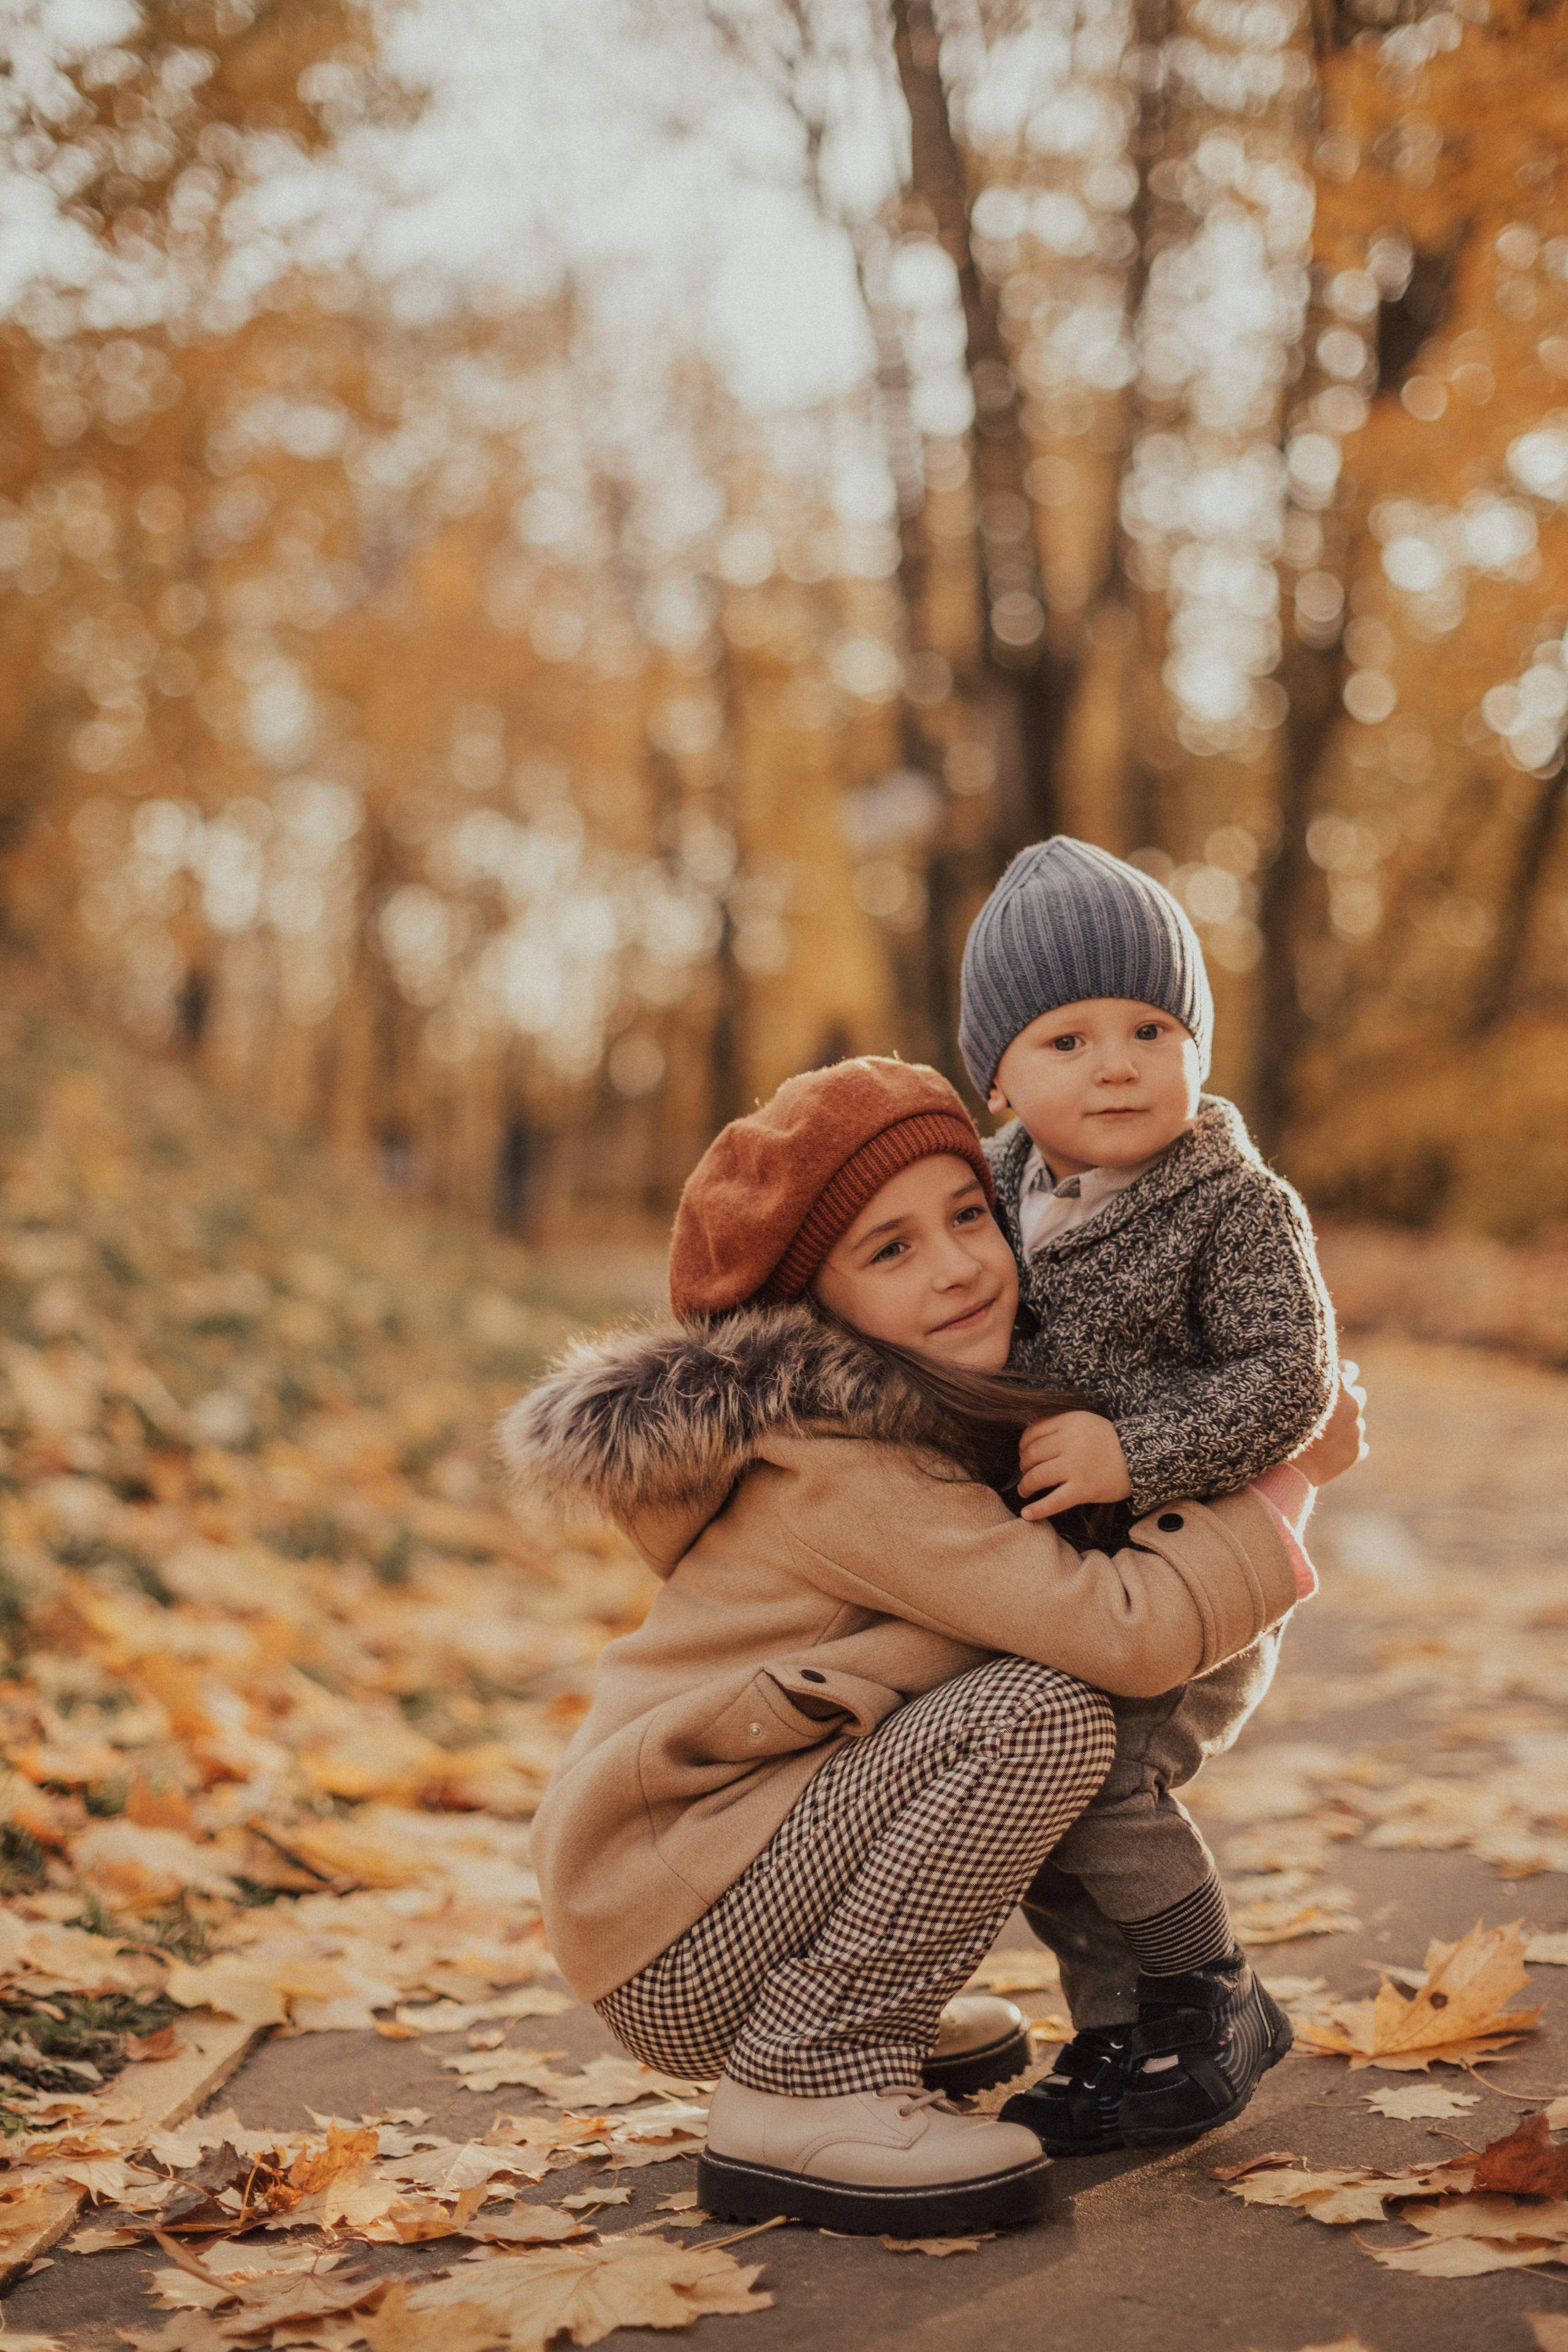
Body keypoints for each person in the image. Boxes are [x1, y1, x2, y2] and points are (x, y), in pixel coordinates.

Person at [502, 1058, 1350, 2236]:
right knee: (1043, 1710)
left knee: (1015, 1699)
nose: (956, 1264)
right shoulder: (846, 1466)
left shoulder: (914, 1417)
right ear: (815, 1309)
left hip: (698, 1890)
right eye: (890, 1250)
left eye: (967, 1216)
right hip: (675, 1934)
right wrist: (1283, 1482)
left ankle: (836, 2008)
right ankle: (807, 2065)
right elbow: (1122, 1633)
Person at [957, 835, 1351, 2156]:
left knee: (1108, 1780)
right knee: (1043, 1802)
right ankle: (1121, 2031)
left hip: (1199, 1563)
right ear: (998, 1075)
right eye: (1064, 1040)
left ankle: (1209, 2002)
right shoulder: (992, 1200)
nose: (1114, 1063)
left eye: (1149, 1027)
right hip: (1066, 1588)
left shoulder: (1230, 1204)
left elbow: (1290, 1375)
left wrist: (1136, 1451)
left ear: (1198, 1047)